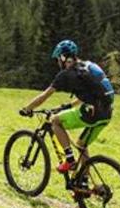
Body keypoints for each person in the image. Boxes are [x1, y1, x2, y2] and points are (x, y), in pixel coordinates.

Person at [19, 39, 114, 174]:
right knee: (81, 145)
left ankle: (70, 161)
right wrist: (68, 105)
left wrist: (27, 109)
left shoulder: (65, 74)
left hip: (91, 113)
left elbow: (44, 96)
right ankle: (85, 184)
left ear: (63, 57)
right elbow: (91, 94)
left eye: (58, 58)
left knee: (55, 121)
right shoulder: (86, 66)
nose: (58, 62)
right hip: (107, 113)